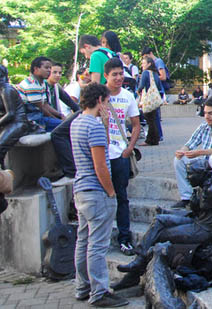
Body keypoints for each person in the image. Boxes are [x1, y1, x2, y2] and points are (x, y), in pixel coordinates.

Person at [70, 83, 128, 307]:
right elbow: (100, 165)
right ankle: (100, 292)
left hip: (81, 190)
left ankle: (82, 286)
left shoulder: (77, 123)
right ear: (100, 101)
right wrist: (111, 191)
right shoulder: (92, 126)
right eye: (107, 101)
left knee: (83, 240)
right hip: (96, 191)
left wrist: (105, 124)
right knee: (97, 244)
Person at [103, 58, 141, 255]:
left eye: (121, 74)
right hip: (100, 153)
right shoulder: (98, 95)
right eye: (114, 74)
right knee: (101, 195)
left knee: (122, 196)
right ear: (106, 76)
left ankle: (124, 238)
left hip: (120, 153)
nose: (119, 78)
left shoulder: (128, 96)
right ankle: (100, 237)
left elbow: (136, 124)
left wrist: (130, 147)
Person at [0, 65, 43, 169]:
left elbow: (11, 114)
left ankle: (4, 178)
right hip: (7, 123)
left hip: (18, 123)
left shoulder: (7, 90)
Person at [15, 56, 64, 131]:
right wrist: (59, 120)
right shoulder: (31, 85)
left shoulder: (41, 83)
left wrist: (60, 115)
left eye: (50, 68)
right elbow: (41, 108)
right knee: (63, 126)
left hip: (38, 116)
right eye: (46, 68)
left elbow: (45, 104)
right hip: (31, 118)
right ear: (36, 69)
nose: (49, 70)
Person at [141, 47, 170, 142]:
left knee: (153, 115)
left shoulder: (158, 62)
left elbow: (163, 76)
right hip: (156, 92)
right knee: (154, 116)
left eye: (145, 57)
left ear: (150, 54)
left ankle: (157, 136)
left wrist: (151, 76)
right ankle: (157, 135)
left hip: (156, 92)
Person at [136, 57, 163, 146]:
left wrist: (138, 91)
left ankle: (150, 140)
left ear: (149, 64)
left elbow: (141, 85)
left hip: (148, 100)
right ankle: (156, 138)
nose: (142, 65)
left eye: (144, 63)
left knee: (149, 121)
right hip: (154, 100)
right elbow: (159, 86)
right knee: (153, 119)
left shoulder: (145, 73)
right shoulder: (155, 73)